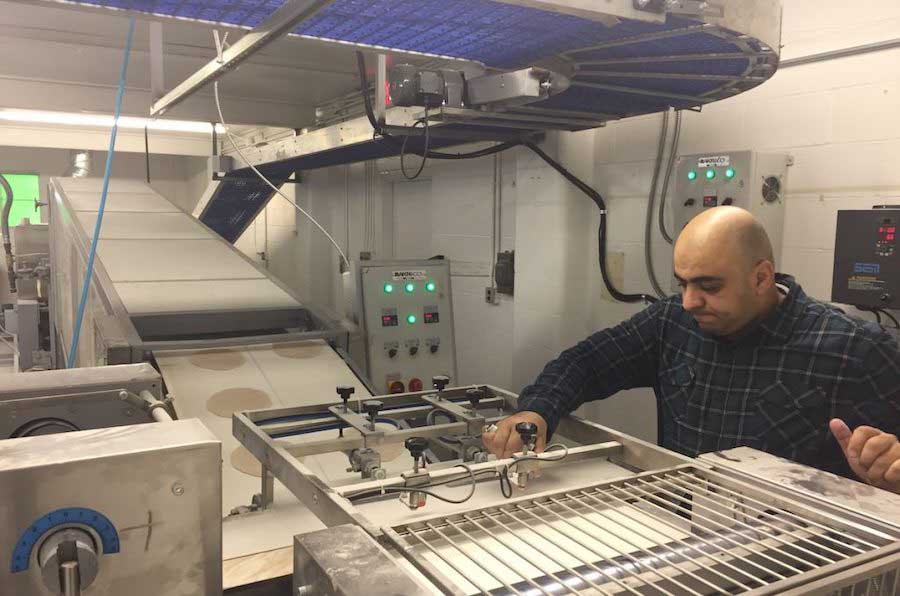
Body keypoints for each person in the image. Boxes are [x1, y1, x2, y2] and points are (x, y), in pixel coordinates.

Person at [484, 206, 900, 493]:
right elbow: (586, 362)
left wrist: (890, 469)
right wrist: (536, 410)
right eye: (682, 283)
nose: (688, 301)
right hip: (679, 540)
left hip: (797, 566)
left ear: (761, 277)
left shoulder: (855, 350)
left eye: (708, 285)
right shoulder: (673, 324)